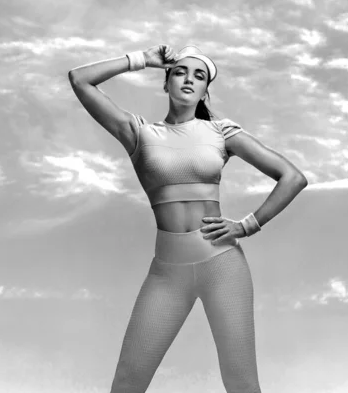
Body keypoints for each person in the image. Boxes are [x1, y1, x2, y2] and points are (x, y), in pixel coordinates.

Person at [68, 44, 308, 393]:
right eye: (180, 71)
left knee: (241, 383)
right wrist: (141, 60)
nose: (188, 79)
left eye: (199, 76)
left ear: (205, 91)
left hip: (222, 265)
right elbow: (80, 79)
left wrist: (246, 225)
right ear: (166, 82)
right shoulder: (140, 134)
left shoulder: (221, 132)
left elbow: (292, 177)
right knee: (126, 383)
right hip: (167, 272)